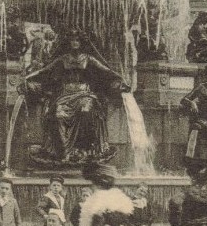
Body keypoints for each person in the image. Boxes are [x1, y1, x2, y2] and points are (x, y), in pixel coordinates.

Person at [24, 30, 131, 164]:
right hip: (65, 95)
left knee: (86, 112)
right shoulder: (63, 59)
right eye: (72, 40)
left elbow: (107, 71)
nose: (75, 42)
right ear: (68, 43)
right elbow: (44, 71)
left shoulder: (88, 58)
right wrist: (26, 78)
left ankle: (85, 149)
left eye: (77, 40)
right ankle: (64, 152)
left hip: (84, 94)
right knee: (58, 116)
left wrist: (121, 80)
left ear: (82, 43)